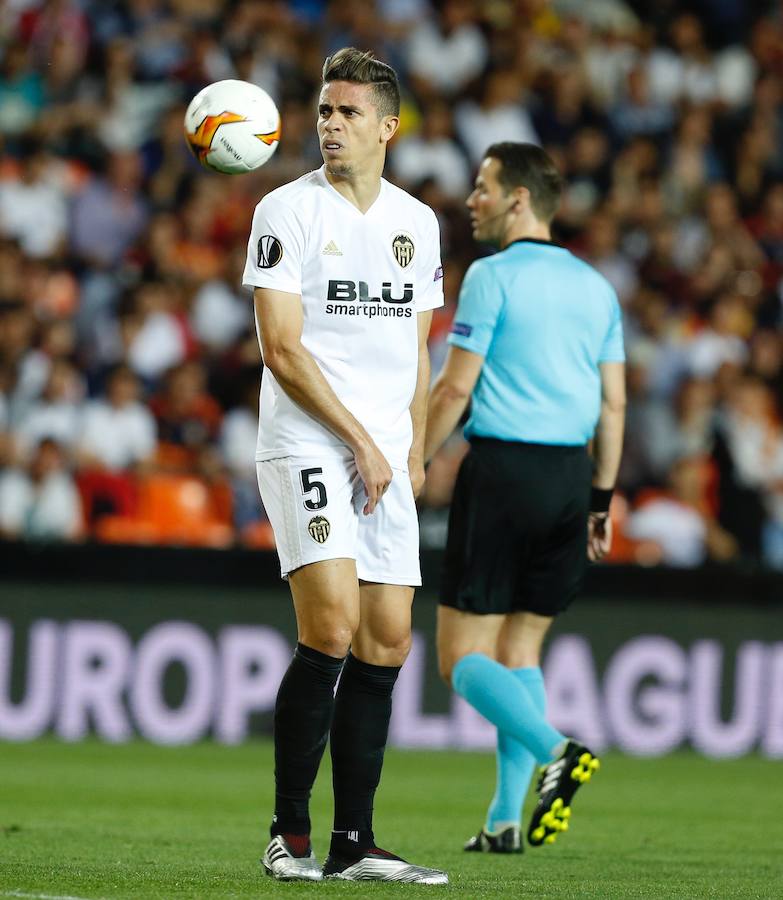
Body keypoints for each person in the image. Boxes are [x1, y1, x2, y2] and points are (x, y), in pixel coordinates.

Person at [242, 48, 447, 884]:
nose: (329, 125)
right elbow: (281, 349)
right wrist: (361, 440)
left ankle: (353, 842)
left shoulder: (416, 222)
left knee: (387, 641)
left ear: (387, 127)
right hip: (308, 440)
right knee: (328, 625)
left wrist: (414, 448)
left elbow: (418, 355)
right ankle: (288, 833)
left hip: (386, 454)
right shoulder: (284, 211)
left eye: (347, 113)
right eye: (323, 111)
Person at [424, 143, 626, 853]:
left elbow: (453, 386)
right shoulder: (596, 288)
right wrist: (600, 498)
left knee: (459, 659)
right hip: (571, 480)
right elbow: (613, 407)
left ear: (518, 199)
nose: (471, 199)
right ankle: (505, 820)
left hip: (505, 471)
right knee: (520, 649)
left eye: (482, 187)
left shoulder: (491, 275)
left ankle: (557, 750)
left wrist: (412, 459)